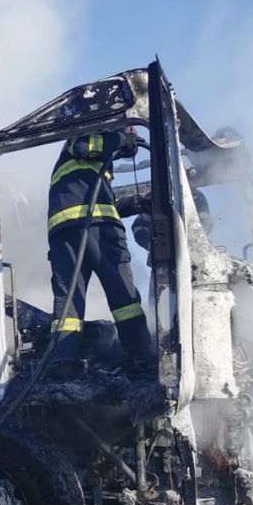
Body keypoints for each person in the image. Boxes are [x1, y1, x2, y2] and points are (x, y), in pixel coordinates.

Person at [45, 128, 153, 377]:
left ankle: (65, 359)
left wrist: (137, 203)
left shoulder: (82, 171)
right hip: (98, 228)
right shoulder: (83, 134)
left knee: (68, 301)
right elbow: (84, 145)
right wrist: (122, 139)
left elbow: (103, 199)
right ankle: (139, 354)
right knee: (122, 294)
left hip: (64, 232)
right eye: (130, 129)